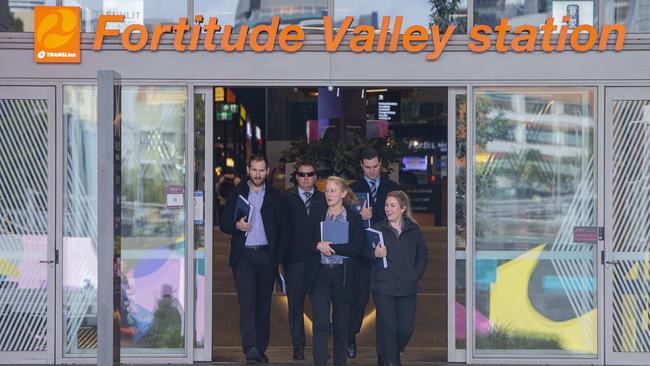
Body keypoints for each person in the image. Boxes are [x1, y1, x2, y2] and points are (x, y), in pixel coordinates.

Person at [220, 154, 288, 364]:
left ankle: (260, 347)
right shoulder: (237, 194)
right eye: (254, 170)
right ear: (248, 170)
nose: (258, 174)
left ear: (267, 172)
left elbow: (283, 229)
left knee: (263, 306)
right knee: (247, 304)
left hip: (267, 257)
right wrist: (236, 226)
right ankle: (249, 348)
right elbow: (223, 223)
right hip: (244, 258)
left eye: (261, 170)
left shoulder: (276, 197)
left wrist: (277, 258)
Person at [303, 176, 364, 366]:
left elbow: (357, 248)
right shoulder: (317, 214)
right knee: (320, 324)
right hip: (320, 274)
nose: (329, 194)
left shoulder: (353, 217)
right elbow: (304, 242)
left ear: (343, 193)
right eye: (327, 191)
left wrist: (333, 247)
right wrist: (317, 245)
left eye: (333, 191)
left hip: (343, 275)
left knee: (341, 327)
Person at [347, 147, 400, 359]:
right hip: (362, 253)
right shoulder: (351, 191)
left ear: (381, 164)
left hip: (386, 253)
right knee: (358, 300)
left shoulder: (393, 189)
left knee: (386, 302)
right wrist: (358, 216)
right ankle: (351, 337)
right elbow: (344, 225)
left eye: (375, 167)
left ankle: (388, 346)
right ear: (361, 165)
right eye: (367, 167)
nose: (372, 171)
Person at [367, 191, 428, 366]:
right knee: (389, 328)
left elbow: (422, 253)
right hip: (383, 287)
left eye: (392, 205)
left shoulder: (413, 230)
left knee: (405, 329)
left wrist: (415, 275)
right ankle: (392, 360)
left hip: (407, 287)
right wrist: (375, 253)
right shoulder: (377, 229)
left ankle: (389, 352)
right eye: (386, 205)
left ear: (402, 208)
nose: (388, 209)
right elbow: (364, 255)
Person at [282, 161, 326, 360]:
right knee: (295, 306)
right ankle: (298, 346)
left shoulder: (324, 198)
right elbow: (280, 227)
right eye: (302, 174)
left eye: (310, 174)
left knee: (320, 307)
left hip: (319, 260)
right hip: (294, 260)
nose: (306, 178)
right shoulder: (286, 198)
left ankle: (320, 347)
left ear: (315, 176)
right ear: (296, 177)